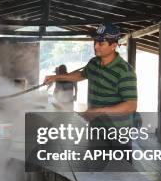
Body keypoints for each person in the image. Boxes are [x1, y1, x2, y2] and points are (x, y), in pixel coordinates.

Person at [44, 23, 138, 167]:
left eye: (101, 43)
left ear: (113, 45)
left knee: (120, 174)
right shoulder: (94, 63)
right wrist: (56, 77)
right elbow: (80, 75)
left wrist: (98, 111)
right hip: (96, 129)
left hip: (118, 134)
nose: (96, 47)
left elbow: (131, 106)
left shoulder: (124, 71)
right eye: (95, 42)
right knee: (96, 169)